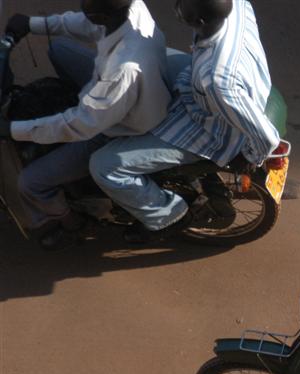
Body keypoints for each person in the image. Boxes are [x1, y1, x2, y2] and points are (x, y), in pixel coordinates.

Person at [89, 0, 280, 244]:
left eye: (181, 8)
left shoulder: (218, 80)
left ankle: (167, 216)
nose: (177, 8)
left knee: (105, 166)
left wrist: (251, 158)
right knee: (136, 56)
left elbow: (266, 136)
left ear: (198, 21)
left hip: (211, 129)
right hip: (202, 83)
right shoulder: (239, 5)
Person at [0, 0, 170, 250]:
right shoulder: (131, 9)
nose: (83, 12)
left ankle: (70, 223)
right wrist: (33, 24)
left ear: (99, 15)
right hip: (127, 96)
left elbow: (79, 125)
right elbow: (86, 24)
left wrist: (13, 130)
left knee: (31, 182)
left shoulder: (123, 70)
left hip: (115, 129)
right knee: (59, 48)